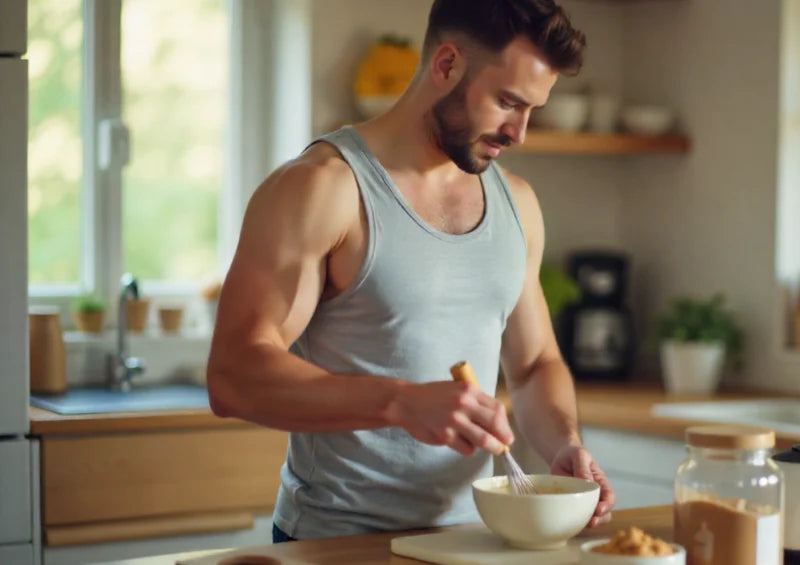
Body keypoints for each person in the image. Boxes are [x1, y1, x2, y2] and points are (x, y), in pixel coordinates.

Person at [206, 0, 616, 542]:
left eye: (532, 110)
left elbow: (536, 364)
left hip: (471, 543)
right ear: (446, 65)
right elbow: (234, 375)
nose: (520, 132)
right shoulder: (324, 188)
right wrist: (399, 402)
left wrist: (563, 443)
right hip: (336, 544)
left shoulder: (519, 204)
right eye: (508, 103)